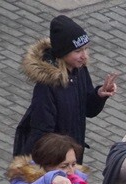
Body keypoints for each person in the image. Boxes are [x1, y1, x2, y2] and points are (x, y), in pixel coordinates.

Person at [15, 14, 118, 159]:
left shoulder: (79, 70)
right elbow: (42, 133)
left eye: (85, 49)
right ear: (62, 53)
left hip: (71, 158)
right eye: (78, 51)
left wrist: (99, 94)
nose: (84, 55)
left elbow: (87, 108)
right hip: (55, 161)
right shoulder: (47, 86)